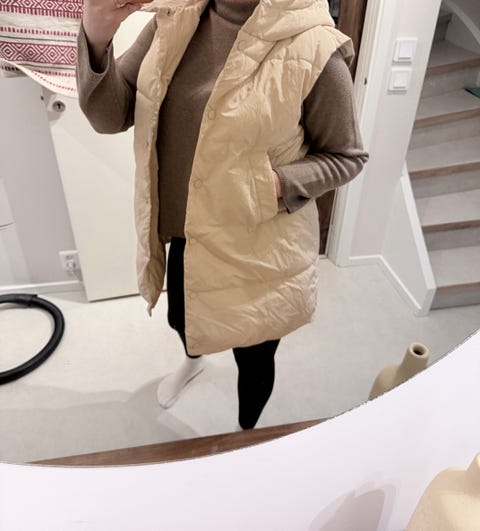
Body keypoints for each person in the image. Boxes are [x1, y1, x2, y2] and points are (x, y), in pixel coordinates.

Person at [77, 0, 368, 430]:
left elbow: (347, 156)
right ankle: (192, 361)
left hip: (260, 250)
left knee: (253, 356)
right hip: (186, 233)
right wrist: (97, 38)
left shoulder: (313, 45)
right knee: (183, 320)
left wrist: (271, 185)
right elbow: (112, 115)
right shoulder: (176, 17)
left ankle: (244, 434)